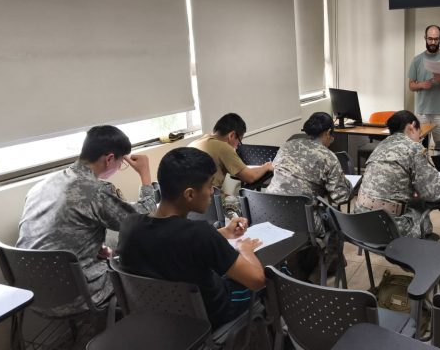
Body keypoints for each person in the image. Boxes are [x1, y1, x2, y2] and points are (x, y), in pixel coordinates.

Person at [117, 147, 265, 328]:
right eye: (210, 185)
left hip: (157, 314)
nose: (212, 192)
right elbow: (256, 280)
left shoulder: (129, 225)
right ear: (189, 194)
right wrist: (245, 250)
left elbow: (169, 241)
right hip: (209, 315)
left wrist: (223, 233)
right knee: (271, 272)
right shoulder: (200, 234)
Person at [17, 125, 156, 316]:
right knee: (139, 250)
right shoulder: (95, 191)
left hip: (30, 293)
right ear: (109, 159)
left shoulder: (42, 185)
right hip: (74, 294)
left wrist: (91, 248)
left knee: (110, 246)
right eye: (121, 162)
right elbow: (144, 219)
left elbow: (60, 231)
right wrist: (145, 175)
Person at [354, 110, 440, 238]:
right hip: (388, 228)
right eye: (419, 134)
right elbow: (434, 193)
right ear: (412, 126)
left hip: (360, 223)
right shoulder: (414, 148)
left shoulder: (380, 146)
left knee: (414, 203)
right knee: (424, 220)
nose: (419, 139)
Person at [266, 112, 352, 231]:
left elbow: (276, 168)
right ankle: (325, 249)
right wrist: (350, 186)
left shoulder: (287, 145)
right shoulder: (328, 156)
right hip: (301, 218)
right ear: (328, 133)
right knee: (336, 223)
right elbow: (340, 198)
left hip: (268, 211)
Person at [188, 113, 273, 218]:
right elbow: (250, 177)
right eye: (239, 141)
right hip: (207, 200)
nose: (237, 146)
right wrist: (266, 166)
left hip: (188, 200)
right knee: (250, 208)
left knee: (229, 196)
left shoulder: (197, 142)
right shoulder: (222, 147)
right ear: (232, 135)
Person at [407, 24, 440, 142]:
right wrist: (421, 85)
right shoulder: (417, 60)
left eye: (436, 39)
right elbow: (411, 85)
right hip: (422, 113)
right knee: (419, 148)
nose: (433, 42)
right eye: (430, 39)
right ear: (425, 38)